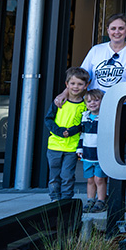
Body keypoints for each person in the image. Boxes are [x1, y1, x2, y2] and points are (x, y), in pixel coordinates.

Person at [70, 13, 126, 164]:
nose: (117, 32)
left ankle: (117, 186)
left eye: (121, 28)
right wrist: (66, 94)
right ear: (107, 30)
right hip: (95, 108)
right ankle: (97, 184)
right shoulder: (96, 51)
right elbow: (81, 77)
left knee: (117, 148)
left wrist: (113, 103)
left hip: (123, 108)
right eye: (113, 28)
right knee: (95, 148)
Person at [46, 67, 88, 203]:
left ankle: (66, 200)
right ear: (67, 84)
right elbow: (48, 119)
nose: (76, 87)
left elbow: (83, 124)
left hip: (71, 148)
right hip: (54, 147)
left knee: (67, 175)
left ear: (86, 86)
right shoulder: (59, 101)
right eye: (73, 83)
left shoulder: (84, 105)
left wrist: (71, 131)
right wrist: (59, 131)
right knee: (54, 176)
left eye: (80, 84)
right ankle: (55, 199)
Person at [77, 89, 106, 214]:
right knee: (90, 179)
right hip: (87, 154)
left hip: (100, 155)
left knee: (99, 179)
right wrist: (80, 148)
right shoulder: (84, 117)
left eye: (96, 100)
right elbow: (82, 134)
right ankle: (90, 200)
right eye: (89, 101)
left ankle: (101, 201)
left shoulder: (105, 117)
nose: (92, 103)